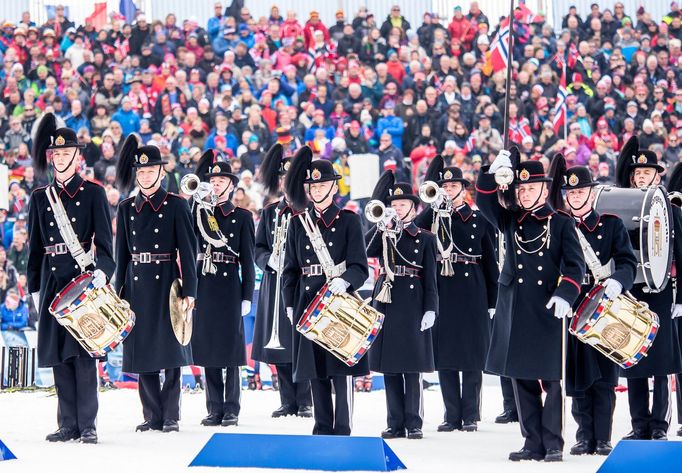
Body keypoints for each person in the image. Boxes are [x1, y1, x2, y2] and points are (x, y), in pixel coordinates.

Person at [476, 150, 585, 462]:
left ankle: (552, 443)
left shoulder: (561, 222)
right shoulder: (511, 219)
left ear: (543, 188)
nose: (524, 193)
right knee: (521, 377)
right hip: (515, 306)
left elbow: (575, 267)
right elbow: (485, 202)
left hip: (547, 307)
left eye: (530, 188)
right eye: (520, 189)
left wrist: (566, 294)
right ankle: (531, 442)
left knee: (550, 379)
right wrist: (491, 173)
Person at [27, 113, 115, 444]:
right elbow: (35, 247)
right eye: (57, 153)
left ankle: (87, 424)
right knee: (59, 357)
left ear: (78, 156)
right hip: (51, 282)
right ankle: (67, 424)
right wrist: (34, 288)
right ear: (52, 156)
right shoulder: (40, 197)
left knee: (82, 354)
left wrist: (101, 274)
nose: (61, 158)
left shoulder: (93, 192)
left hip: (82, 281)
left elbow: (106, 246)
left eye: (67, 153)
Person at [282, 146, 369, 436]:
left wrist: (345, 281)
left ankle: (342, 428)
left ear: (333, 186)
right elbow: (291, 268)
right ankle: (321, 428)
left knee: (340, 371)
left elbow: (360, 266)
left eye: (322, 184)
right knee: (316, 371)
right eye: (312, 186)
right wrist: (289, 302)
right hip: (308, 301)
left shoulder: (349, 220)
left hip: (339, 302)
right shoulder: (298, 223)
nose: (316, 190)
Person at [114, 135, 198, 433]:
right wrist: (118, 292)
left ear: (161, 172)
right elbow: (121, 254)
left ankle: (171, 415)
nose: (145, 175)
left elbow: (188, 252)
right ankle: (151, 414)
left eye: (151, 171)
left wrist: (190, 291)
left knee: (172, 351)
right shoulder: (126, 207)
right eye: (141, 171)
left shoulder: (176, 205)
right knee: (142, 351)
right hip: (136, 284)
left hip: (166, 284)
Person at [557, 162, 637, 456]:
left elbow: (628, 262)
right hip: (575, 304)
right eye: (571, 192)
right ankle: (582, 436)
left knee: (605, 376)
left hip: (606, 305)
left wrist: (618, 281)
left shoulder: (612, 223)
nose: (576, 197)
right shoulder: (560, 225)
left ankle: (602, 437)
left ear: (591, 194)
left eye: (580, 191)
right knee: (578, 375)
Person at [415, 157, 498, 432]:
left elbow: (490, 262)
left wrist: (492, 301)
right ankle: (451, 415)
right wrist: (433, 208)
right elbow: (415, 231)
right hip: (443, 286)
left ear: (464, 189)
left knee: (473, 354)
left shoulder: (478, 219)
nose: (448, 190)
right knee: (445, 353)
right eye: (445, 186)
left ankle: (470, 415)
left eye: (453, 186)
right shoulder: (434, 214)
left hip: (472, 285)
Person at [614, 137, 682, 441]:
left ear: (658, 175)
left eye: (647, 173)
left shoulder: (670, 208)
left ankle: (658, 426)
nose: (641, 177)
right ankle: (638, 423)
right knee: (633, 360)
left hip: (663, 289)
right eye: (637, 173)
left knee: (661, 362)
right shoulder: (622, 207)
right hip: (633, 291)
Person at [366, 171, 437, 440]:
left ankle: (414, 422)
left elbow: (430, 277)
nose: (397, 209)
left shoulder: (426, 238)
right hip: (387, 300)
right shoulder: (384, 232)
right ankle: (394, 422)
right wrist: (380, 227)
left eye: (402, 205)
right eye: (394, 205)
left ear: (413, 207)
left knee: (412, 367)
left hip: (413, 300)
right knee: (390, 367)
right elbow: (366, 250)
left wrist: (431, 308)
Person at [191, 150, 255, 427]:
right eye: (212, 180)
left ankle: (232, 408)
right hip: (204, 282)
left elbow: (249, 261)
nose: (215, 184)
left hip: (229, 284)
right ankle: (214, 407)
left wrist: (246, 295)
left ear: (231, 185)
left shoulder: (241, 216)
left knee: (230, 350)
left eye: (221, 181)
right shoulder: (199, 211)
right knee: (207, 348)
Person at [251, 144, 312, 419]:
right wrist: (268, 260)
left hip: (300, 282)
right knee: (281, 346)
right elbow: (258, 247)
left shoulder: (309, 210)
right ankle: (288, 400)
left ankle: (306, 399)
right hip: (275, 282)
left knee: (302, 342)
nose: (286, 184)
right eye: (282, 179)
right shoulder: (270, 212)